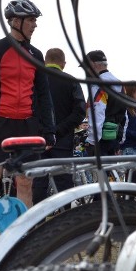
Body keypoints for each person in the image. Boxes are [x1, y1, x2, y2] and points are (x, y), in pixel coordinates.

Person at [0, 0, 55, 252]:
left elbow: (43, 94)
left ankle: (23, 234)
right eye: (31, 20)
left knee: (25, 181)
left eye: (35, 21)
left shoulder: (36, 55)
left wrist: (48, 128)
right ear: (15, 21)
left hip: (28, 124)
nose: (35, 25)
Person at [32, 48, 86, 203]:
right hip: (63, 141)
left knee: (38, 183)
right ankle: (65, 220)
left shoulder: (35, 80)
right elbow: (80, 111)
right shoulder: (72, 82)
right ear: (63, 63)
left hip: (38, 140)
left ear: (44, 61)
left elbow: (29, 109)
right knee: (64, 183)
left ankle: (37, 222)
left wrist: (44, 131)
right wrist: (58, 130)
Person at [82, 49, 125, 157]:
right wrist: (121, 138)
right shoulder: (119, 84)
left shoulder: (98, 84)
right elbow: (125, 115)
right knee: (110, 173)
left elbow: (97, 113)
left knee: (97, 174)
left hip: (100, 141)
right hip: (115, 137)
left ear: (92, 64)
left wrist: (92, 141)